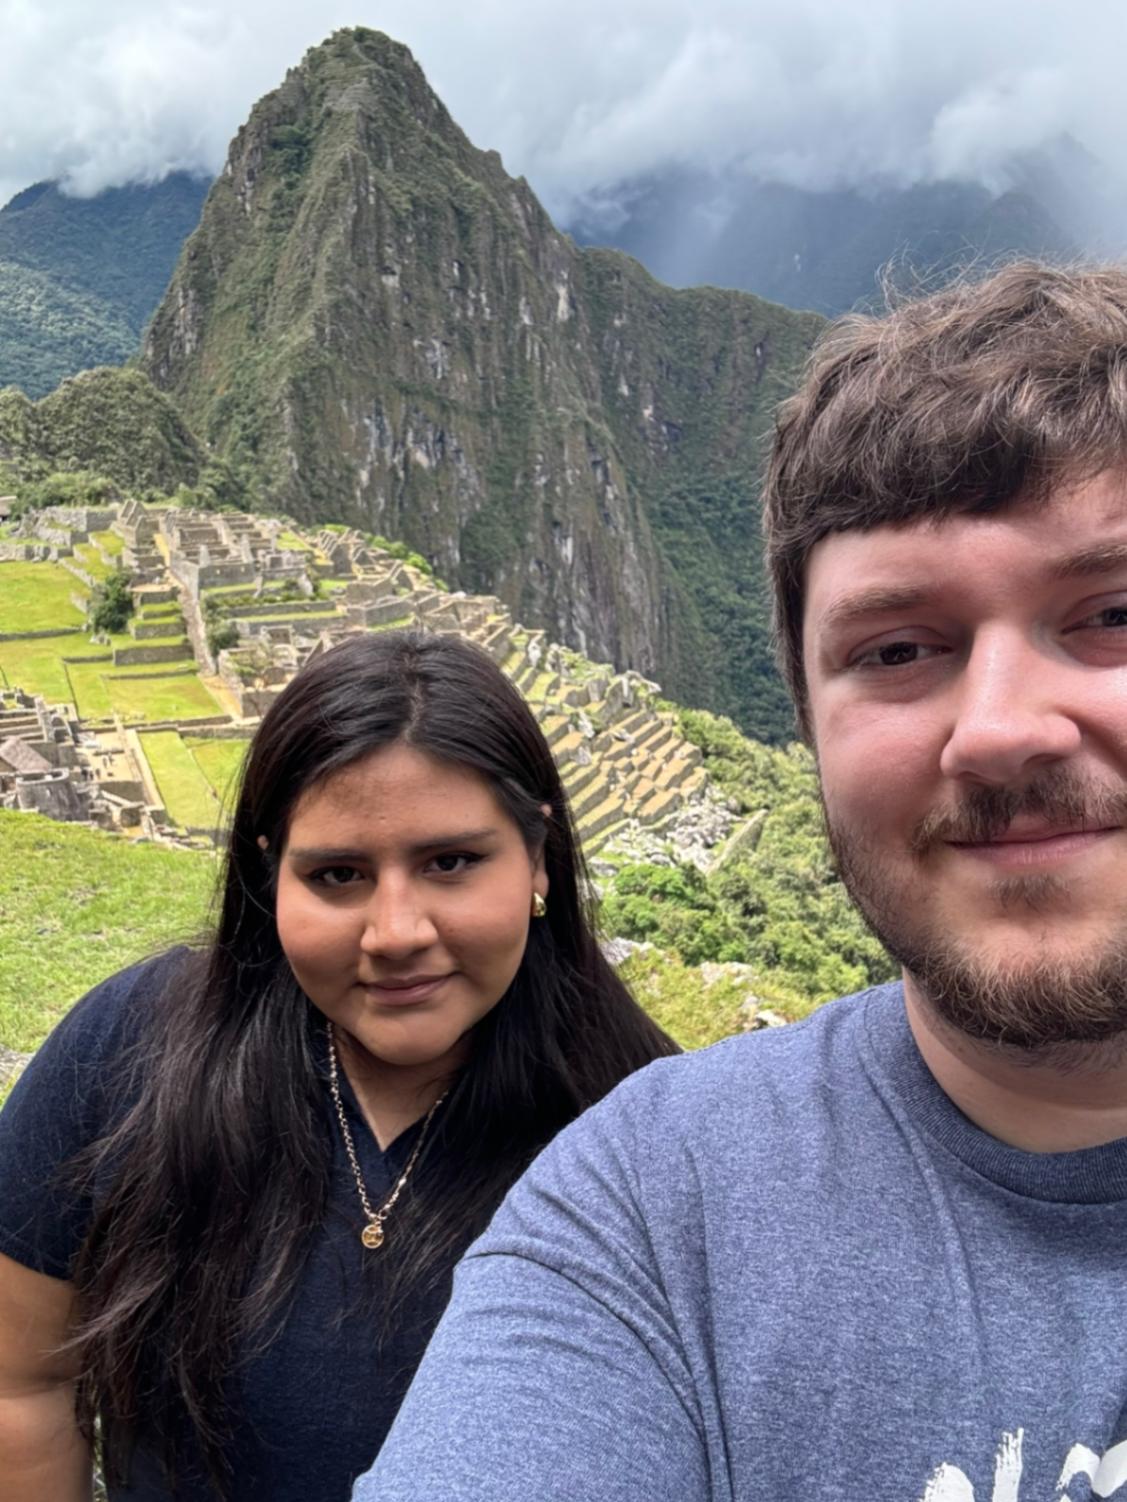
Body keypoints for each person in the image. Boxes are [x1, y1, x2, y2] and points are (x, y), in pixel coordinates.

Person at [354, 262, 1127, 1502]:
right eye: (897, 648)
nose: (996, 729)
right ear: (806, 727)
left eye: (1111, 613)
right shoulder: (654, 1211)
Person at [0, 629, 676, 1501]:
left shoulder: (652, 1134)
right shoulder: (131, 1049)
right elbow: (21, 1382)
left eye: (450, 863)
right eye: (338, 875)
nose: (396, 933)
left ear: (537, 856)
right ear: (269, 874)